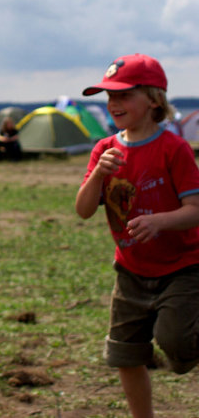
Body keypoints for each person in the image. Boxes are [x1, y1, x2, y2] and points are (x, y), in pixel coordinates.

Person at [75, 54, 199, 418]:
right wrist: (98, 172)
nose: (113, 103)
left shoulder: (174, 149)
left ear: (154, 100)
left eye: (125, 94)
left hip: (182, 268)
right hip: (130, 272)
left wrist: (160, 221)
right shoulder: (104, 150)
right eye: (108, 95)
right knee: (125, 354)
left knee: (176, 347)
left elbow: (195, 210)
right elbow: (83, 210)